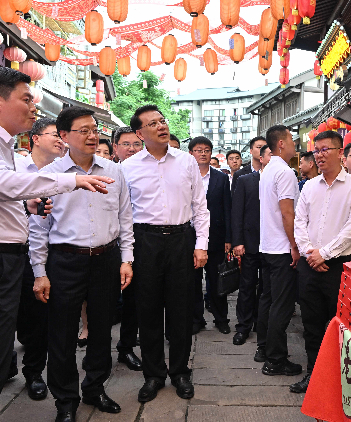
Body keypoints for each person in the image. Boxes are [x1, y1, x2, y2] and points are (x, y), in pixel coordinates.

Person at [0, 67, 112, 421]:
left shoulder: (0, 144)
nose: (34, 107)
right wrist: (71, 182)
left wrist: (28, 204)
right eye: (25, 98)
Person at [29, 106, 134, 422]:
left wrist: (127, 259)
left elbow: (125, 217)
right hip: (65, 261)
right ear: (64, 136)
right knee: (61, 333)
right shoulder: (49, 176)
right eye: (83, 130)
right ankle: (65, 400)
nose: (93, 135)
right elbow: (38, 227)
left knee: (102, 329)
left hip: (106, 258)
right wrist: (39, 272)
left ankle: (95, 387)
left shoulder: (115, 172)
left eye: (94, 129)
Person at [121, 104, 209, 404]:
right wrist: (128, 256)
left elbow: (200, 206)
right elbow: (125, 215)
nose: (161, 126)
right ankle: (154, 374)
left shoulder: (186, 162)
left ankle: (180, 371)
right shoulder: (128, 168)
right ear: (139, 132)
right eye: (153, 123)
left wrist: (201, 244)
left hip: (181, 240)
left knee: (181, 309)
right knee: (147, 310)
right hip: (145, 241)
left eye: (163, 121)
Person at [291, 131, 351, 393]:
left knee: (341, 326)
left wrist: (325, 254)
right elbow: (299, 222)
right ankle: (313, 377)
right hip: (310, 265)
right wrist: (310, 252)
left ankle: (339, 382)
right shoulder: (309, 186)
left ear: (340, 154)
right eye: (316, 150)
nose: (319, 155)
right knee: (310, 325)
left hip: (339, 267)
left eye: (325, 150)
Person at [14, 117, 63, 402]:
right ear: (35, 138)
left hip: (52, 253)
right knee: (11, 313)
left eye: (61, 136)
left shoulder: (66, 173)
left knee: (39, 317)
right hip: (17, 251)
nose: (59, 140)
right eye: (54, 134)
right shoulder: (15, 169)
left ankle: (34, 372)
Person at [257, 125, 302, 377]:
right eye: (292, 141)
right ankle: (275, 359)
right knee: (281, 306)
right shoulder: (284, 172)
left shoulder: (268, 169)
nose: (295, 145)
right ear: (281, 144)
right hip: (282, 247)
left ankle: (265, 349)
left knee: (269, 299)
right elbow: (288, 213)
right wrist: (294, 246)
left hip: (268, 245)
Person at [188, 136, 232, 335]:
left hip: (215, 237)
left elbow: (227, 209)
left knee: (217, 281)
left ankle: (221, 318)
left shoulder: (221, 178)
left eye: (206, 150)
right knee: (193, 282)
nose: (203, 153)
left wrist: (228, 238)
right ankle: (196, 319)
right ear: (191, 153)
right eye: (198, 150)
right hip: (189, 237)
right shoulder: (185, 176)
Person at [111, 126, 143, 372]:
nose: (131, 149)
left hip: (138, 240)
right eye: (126, 144)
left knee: (133, 298)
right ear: (115, 148)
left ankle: (126, 346)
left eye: (136, 144)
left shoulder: (147, 170)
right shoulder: (109, 173)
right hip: (109, 242)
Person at [231, 149, 269, 347]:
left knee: (266, 288)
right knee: (246, 286)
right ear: (261, 158)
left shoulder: (282, 179)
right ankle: (243, 326)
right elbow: (236, 212)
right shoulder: (246, 180)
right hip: (250, 242)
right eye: (269, 155)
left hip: (273, 245)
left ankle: (261, 325)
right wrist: (237, 241)